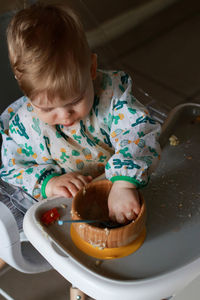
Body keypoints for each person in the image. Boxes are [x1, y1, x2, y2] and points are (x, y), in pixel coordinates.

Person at [0, 2, 161, 224]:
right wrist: (49, 183)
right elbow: (13, 166)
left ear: (92, 68)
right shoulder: (24, 126)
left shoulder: (112, 97)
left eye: (75, 101)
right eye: (47, 109)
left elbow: (139, 132)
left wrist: (124, 182)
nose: (65, 116)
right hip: (69, 208)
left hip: (124, 185)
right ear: (26, 93)